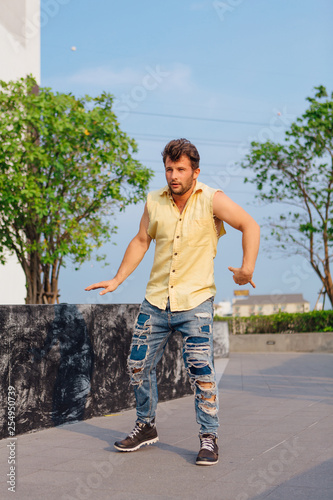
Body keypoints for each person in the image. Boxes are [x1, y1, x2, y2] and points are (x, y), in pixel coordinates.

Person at [85, 138, 260, 466]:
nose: (173, 175)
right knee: (137, 366)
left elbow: (249, 224)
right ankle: (146, 426)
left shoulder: (211, 199)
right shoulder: (154, 201)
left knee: (200, 369)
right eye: (169, 169)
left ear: (195, 171)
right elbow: (140, 240)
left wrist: (247, 267)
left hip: (195, 302)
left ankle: (208, 437)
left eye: (181, 169)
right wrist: (117, 278)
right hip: (155, 301)